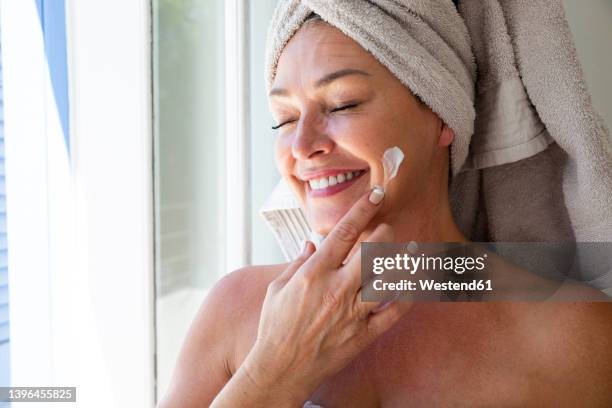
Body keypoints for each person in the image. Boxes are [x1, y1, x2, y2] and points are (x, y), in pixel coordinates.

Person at [158, 6, 612, 408]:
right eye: (286, 118)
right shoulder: (234, 313)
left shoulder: (577, 339)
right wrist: (273, 373)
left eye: (342, 103)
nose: (302, 145)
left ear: (440, 116)